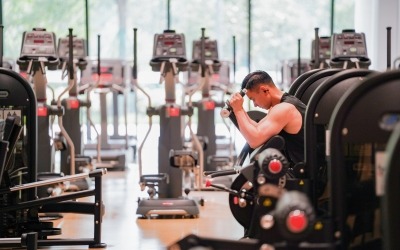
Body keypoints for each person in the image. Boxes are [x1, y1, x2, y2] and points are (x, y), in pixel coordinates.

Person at [229, 70, 305, 165]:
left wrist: (238, 110)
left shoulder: (284, 108)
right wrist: (238, 108)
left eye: (253, 99)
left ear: (264, 90)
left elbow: (255, 140)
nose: (255, 105)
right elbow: (257, 127)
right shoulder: (280, 105)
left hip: (306, 173)